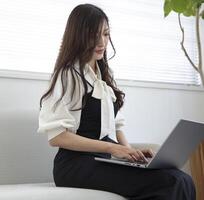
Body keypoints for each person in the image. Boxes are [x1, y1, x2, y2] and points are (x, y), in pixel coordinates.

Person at [37, 3, 195, 200]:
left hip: (103, 160)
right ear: (78, 36)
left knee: (183, 179)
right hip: (74, 166)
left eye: (105, 34)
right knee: (171, 182)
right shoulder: (68, 74)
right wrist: (112, 148)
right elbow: (57, 137)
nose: (102, 42)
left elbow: (116, 126)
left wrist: (132, 153)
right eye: (93, 34)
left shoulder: (103, 75)